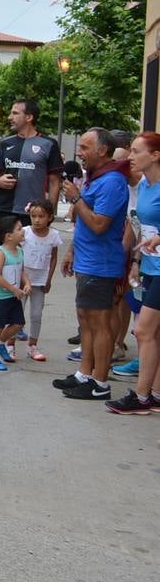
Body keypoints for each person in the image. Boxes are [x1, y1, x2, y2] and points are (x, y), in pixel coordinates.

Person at [56, 128, 130, 401]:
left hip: (102, 263)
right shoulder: (94, 178)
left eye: (85, 147)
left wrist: (76, 198)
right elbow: (85, 225)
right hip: (87, 260)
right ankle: (84, 374)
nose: (80, 152)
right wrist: (71, 251)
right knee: (85, 320)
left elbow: (99, 224)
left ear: (103, 150)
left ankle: (100, 382)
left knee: (99, 323)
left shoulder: (111, 182)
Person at [0, 99, 63, 337]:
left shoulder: (48, 144)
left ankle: (15, 321)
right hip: (2, 210)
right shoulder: (5, 144)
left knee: (21, 266)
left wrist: (51, 212)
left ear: (29, 117)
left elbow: (55, 181)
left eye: (15, 112)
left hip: (30, 213)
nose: (10, 116)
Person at [109, 133, 160, 413]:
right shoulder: (145, 187)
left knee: (142, 330)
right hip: (151, 266)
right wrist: (136, 261)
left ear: (155, 155)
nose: (131, 156)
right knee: (155, 334)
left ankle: (140, 397)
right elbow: (140, 227)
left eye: (137, 151)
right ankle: (155, 395)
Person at [0, 217, 31, 371]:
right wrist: (13, 289)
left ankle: (1, 343)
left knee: (19, 323)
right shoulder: (0, 252)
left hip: (13, 295)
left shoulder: (19, 251)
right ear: (8, 236)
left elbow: (21, 270)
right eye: (19, 228)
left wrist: (27, 283)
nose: (23, 230)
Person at [22, 198, 62, 362]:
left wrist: (49, 279)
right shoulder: (24, 232)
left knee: (36, 314)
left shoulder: (54, 236)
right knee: (17, 313)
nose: (37, 220)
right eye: (33, 216)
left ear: (50, 217)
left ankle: (32, 345)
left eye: (41, 216)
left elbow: (53, 258)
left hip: (40, 281)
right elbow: (16, 255)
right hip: (22, 281)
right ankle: (9, 343)